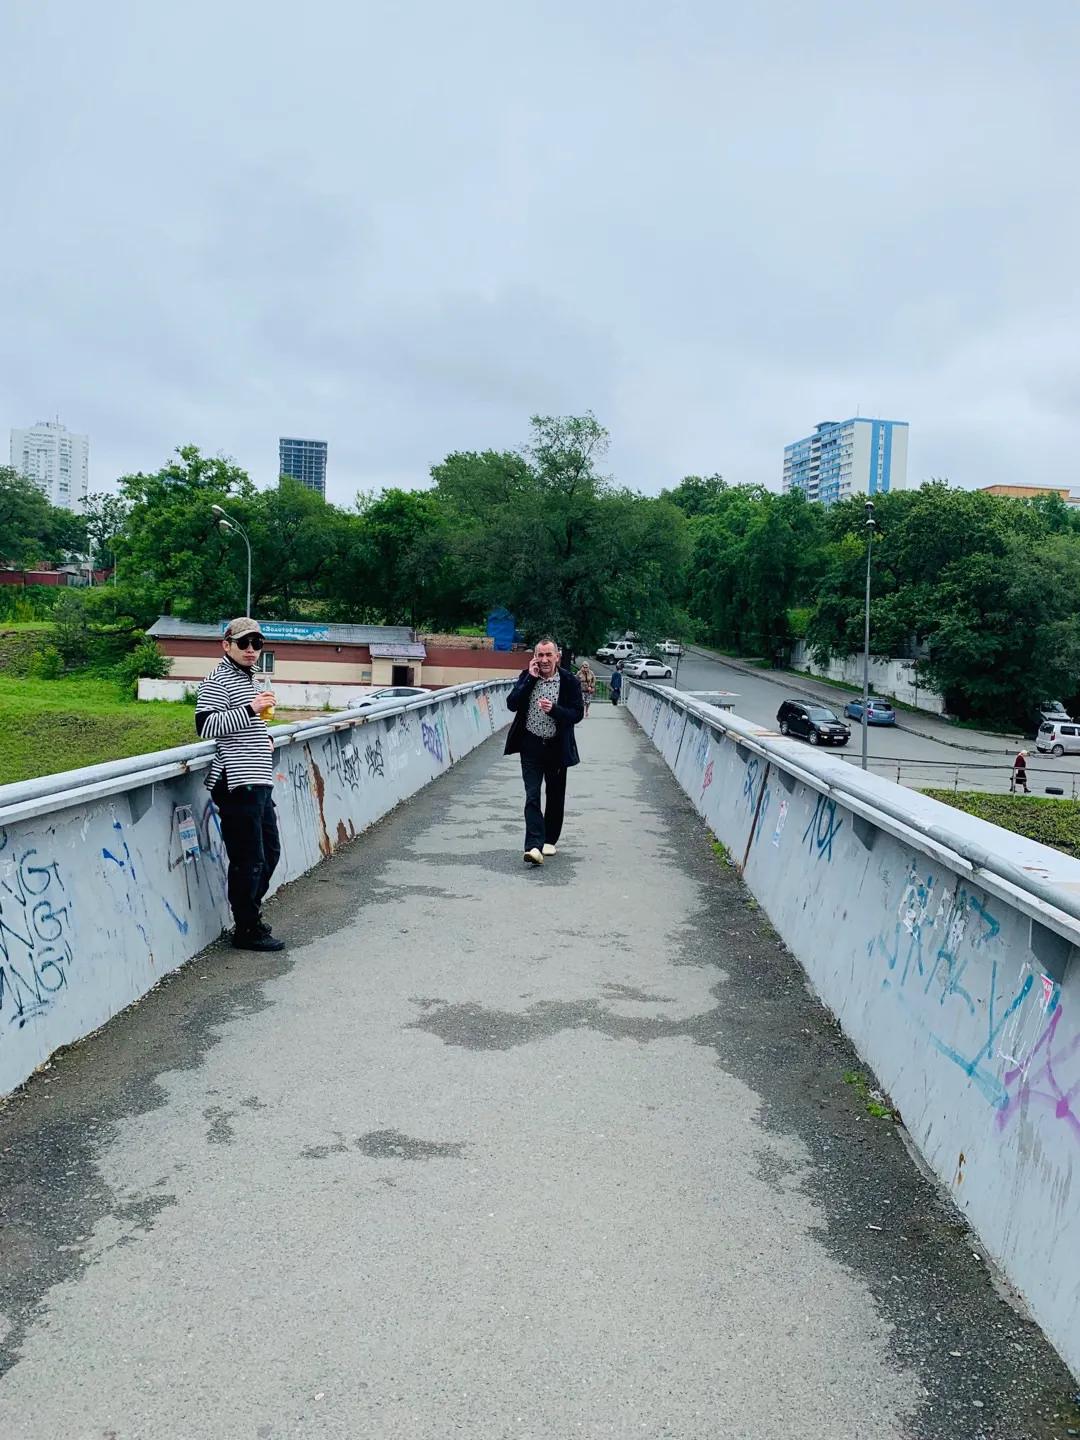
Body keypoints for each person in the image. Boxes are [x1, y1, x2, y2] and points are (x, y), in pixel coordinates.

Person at [195, 617, 285, 951]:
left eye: (256, 644)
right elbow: (205, 725)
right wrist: (251, 709)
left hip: (258, 779)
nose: (250, 650)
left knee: (269, 853)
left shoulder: (247, 679)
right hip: (237, 781)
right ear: (226, 644)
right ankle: (247, 928)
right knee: (249, 858)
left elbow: (243, 727)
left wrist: (265, 737)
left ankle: (248, 913)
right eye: (243, 643)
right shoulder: (217, 679)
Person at [505, 637, 584, 866]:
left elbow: (576, 713)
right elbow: (512, 703)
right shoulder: (527, 677)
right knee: (532, 795)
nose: (544, 659)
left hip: (557, 747)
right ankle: (533, 846)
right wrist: (529, 678)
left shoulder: (569, 681)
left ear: (557, 657)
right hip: (530, 745)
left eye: (549, 655)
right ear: (534, 657)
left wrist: (555, 710)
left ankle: (550, 838)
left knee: (555, 794)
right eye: (540, 655)